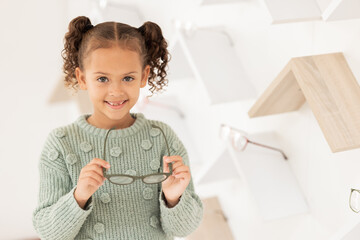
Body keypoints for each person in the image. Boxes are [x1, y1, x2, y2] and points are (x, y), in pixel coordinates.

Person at [32, 16, 203, 240]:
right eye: (102, 78)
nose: (116, 91)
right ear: (82, 79)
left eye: (128, 78)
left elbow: (183, 229)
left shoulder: (163, 137)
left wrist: (173, 198)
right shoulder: (62, 143)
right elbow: (47, 232)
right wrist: (79, 196)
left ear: (144, 76)